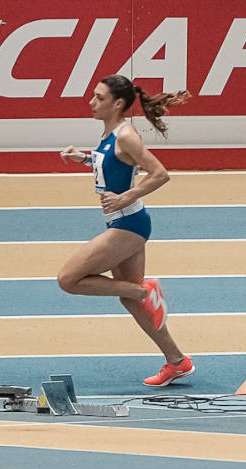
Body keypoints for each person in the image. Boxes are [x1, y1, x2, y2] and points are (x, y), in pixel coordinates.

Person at [58, 75, 192, 386]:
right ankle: (177, 361)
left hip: (129, 224)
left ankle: (146, 290)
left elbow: (160, 174)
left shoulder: (126, 135)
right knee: (128, 299)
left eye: (99, 97)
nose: (92, 102)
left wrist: (126, 196)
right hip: (123, 222)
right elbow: (113, 163)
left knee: (68, 280)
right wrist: (84, 158)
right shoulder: (110, 135)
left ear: (117, 103)